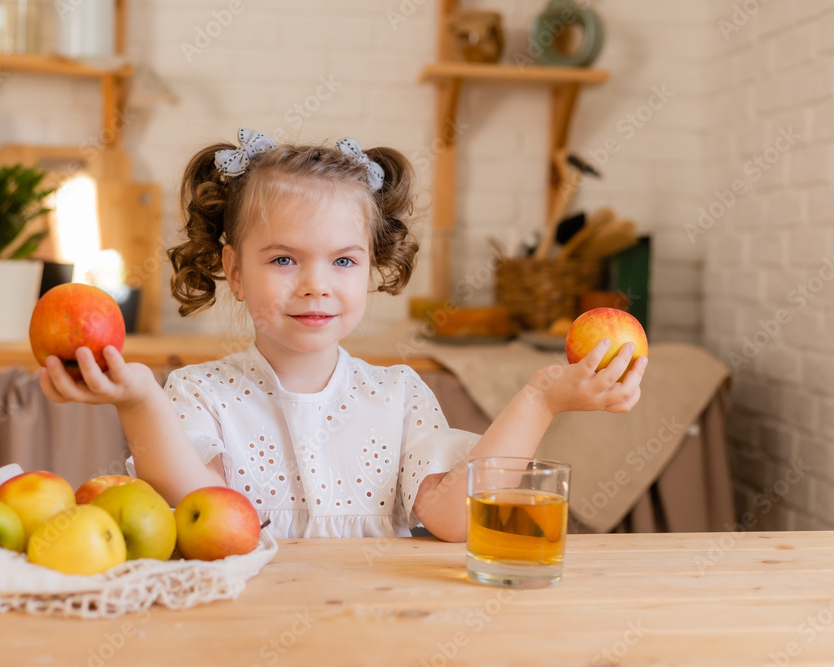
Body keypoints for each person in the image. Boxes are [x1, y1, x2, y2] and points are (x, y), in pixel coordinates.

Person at [38, 129, 647, 541]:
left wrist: (541, 396)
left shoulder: (399, 396)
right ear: (234, 272)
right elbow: (207, 506)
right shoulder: (199, 396)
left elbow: (454, 518)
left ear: (372, 267)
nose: (315, 285)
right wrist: (139, 400)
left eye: (343, 262)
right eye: (283, 260)